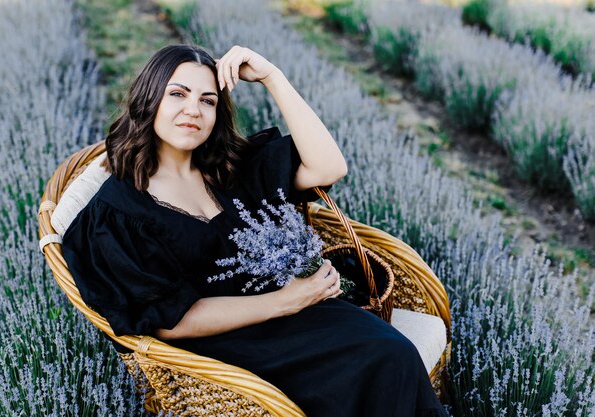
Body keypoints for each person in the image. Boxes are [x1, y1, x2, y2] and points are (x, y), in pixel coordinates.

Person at [61, 44, 447, 417]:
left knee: (392, 353)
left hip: (293, 311)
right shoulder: (117, 213)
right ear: (149, 100)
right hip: (227, 345)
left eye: (208, 100)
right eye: (177, 94)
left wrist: (271, 76)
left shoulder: (228, 168)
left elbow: (329, 168)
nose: (192, 110)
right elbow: (169, 322)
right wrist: (287, 301)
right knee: (383, 360)